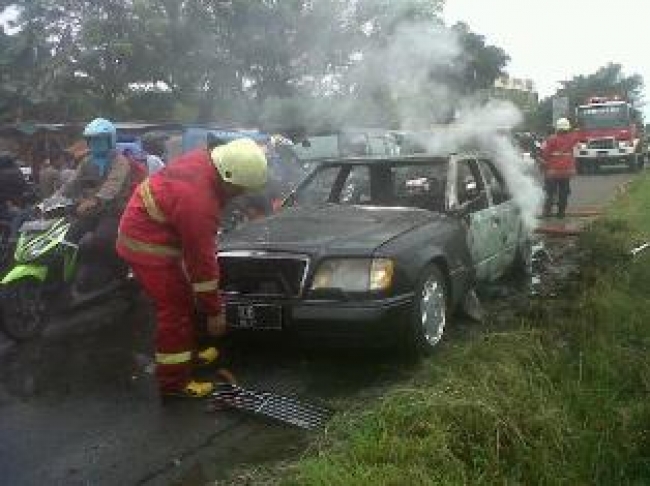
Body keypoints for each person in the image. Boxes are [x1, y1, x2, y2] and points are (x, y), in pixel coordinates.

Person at [116, 138, 267, 399]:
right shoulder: (198, 202)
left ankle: (189, 354)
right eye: (240, 189)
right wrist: (213, 311)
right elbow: (201, 263)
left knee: (184, 299)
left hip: (151, 228)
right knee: (175, 310)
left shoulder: (206, 159)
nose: (241, 194)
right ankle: (174, 383)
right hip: (147, 245)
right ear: (229, 179)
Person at [58, 118, 135, 288]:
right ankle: (66, 277)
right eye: (92, 139)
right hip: (93, 212)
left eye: (99, 139)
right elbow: (71, 182)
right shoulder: (87, 161)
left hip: (115, 210)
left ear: (110, 140)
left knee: (102, 240)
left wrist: (95, 199)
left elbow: (112, 186)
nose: (95, 143)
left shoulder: (120, 161)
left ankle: (122, 272)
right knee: (68, 237)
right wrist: (51, 200)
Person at [541, 118, 578, 218]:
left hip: (553, 172)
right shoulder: (572, 138)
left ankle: (547, 213)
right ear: (567, 128)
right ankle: (561, 213)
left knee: (550, 192)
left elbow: (545, 155)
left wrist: (543, 164)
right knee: (564, 192)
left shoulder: (551, 139)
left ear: (557, 128)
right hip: (567, 171)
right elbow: (577, 135)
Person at [0, 152, 29, 240]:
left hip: (5, 205)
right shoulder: (16, 172)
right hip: (8, 207)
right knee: (23, 214)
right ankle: (13, 238)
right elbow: (24, 187)